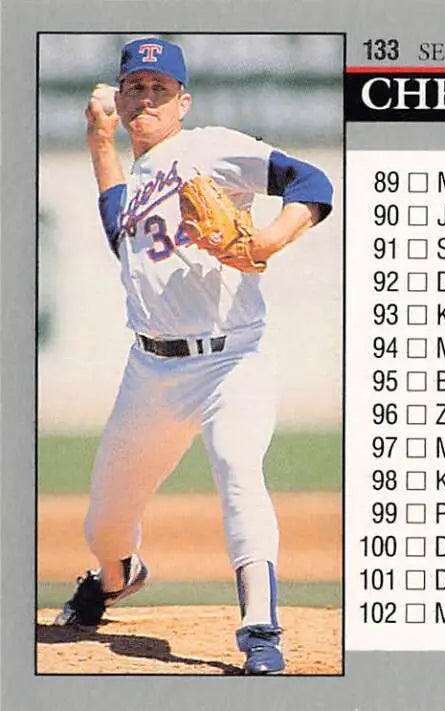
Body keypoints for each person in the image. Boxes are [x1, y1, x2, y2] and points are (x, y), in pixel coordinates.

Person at [53, 36, 334, 676]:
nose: (146, 97)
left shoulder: (208, 146)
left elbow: (311, 181)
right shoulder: (138, 176)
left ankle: (260, 629)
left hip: (231, 360)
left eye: (159, 88)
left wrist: (268, 237)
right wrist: (100, 145)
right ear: (122, 100)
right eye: (135, 87)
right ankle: (115, 579)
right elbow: (118, 234)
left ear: (183, 101)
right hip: (150, 372)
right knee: (105, 526)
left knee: (238, 465)